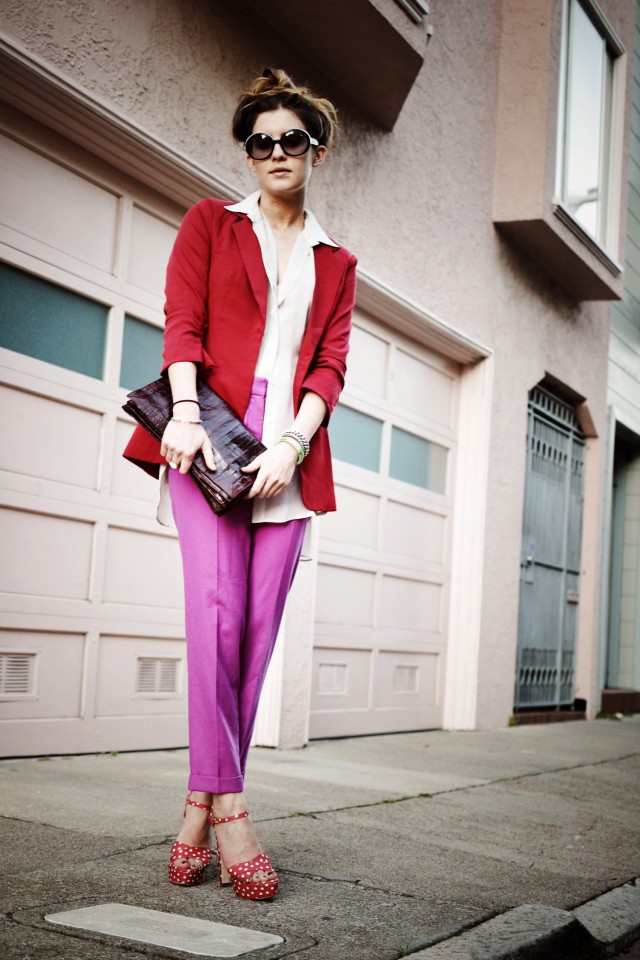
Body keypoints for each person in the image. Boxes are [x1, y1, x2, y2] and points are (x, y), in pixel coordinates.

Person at [123, 68, 357, 901]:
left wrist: (295, 443)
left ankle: (196, 804)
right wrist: (182, 414)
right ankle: (234, 818)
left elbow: (330, 363)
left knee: (255, 642)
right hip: (209, 430)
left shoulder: (337, 260)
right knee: (214, 623)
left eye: (291, 139)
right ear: (248, 152)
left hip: (289, 447)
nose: (275, 152)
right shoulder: (208, 224)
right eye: (260, 141)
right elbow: (181, 319)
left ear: (315, 150)